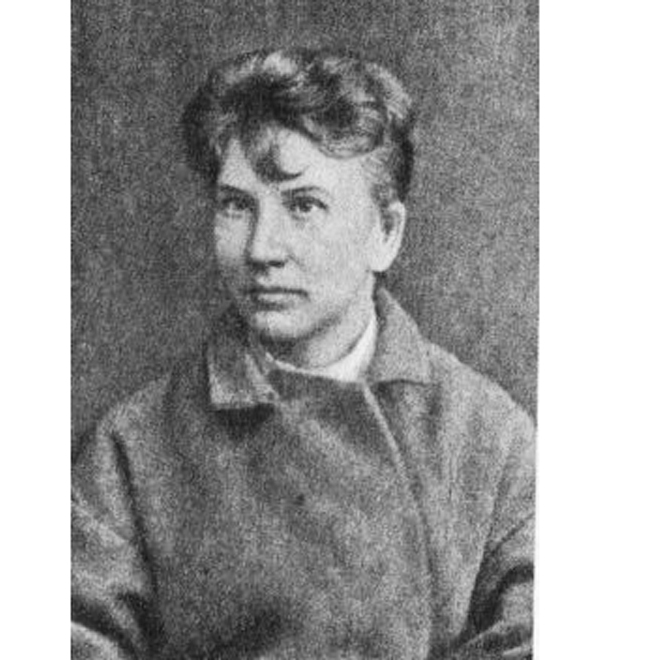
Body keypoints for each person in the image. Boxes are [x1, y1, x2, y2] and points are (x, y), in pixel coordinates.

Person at [72, 47, 535, 660]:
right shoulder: (132, 450)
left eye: (303, 206)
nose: (261, 249)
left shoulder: (489, 438)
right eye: (237, 205)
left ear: (385, 233)